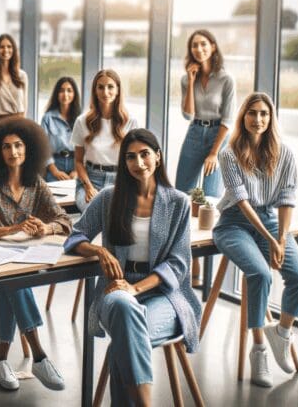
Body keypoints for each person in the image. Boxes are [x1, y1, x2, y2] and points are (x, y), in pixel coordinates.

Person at [64, 128, 201, 406]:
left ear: (158, 157)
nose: (138, 163)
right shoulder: (109, 198)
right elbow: (74, 237)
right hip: (115, 291)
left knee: (125, 338)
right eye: (130, 157)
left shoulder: (178, 203)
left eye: (144, 155)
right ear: (123, 163)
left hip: (164, 294)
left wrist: (136, 287)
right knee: (125, 309)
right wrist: (100, 250)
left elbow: (177, 264)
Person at [212, 92, 298, 388]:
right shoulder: (228, 153)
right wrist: (271, 239)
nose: (258, 120)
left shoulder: (286, 154)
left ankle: (281, 334)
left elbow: (286, 199)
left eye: (264, 114)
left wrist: (280, 237)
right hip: (233, 223)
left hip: (269, 220)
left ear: (271, 119)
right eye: (252, 113)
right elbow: (242, 202)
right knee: (258, 273)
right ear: (243, 117)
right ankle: (258, 351)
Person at [0, 118, 68, 392]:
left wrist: (46, 227)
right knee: (14, 281)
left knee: (11, 283)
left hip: (22, 260)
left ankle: (0, 360)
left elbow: (64, 220)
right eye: (7, 147)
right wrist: (14, 228)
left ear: (28, 149)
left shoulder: (35, 183)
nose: (13, 152)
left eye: (19, 146)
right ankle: (39, 354)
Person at [175, 29, 236, 197]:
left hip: (219, 137)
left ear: (213, 47)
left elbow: (228, 119)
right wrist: (191, 80)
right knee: (181, 192)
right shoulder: (186, 79)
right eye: (194, 45)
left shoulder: (226, 79)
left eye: (203, 44)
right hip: (194, 132)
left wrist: (214, 153)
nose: (199, 48)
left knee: (210, 196)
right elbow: (188, 115)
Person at [71, 69, 139, 212]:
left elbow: (133, 159)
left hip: (120, 180)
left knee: (121, 215)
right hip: (90, 181)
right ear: (95, 91)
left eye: (110, 87)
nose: (105, 92)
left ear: (118, 90)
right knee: (95, 213)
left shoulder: (130, 121)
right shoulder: (82, 121)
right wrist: (88, 187)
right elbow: (78, 161)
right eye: (100, 87)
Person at [40, 76, 81, 182]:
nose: (65, 94)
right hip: (55, 165)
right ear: (56, 94)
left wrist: (77, 171)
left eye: (69, 91)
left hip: (76, 165)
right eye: (61, 90)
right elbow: (43, 147)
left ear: (74, 94)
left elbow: (85, 147)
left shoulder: (81, 119)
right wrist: (55, 171)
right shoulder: (47, 118)